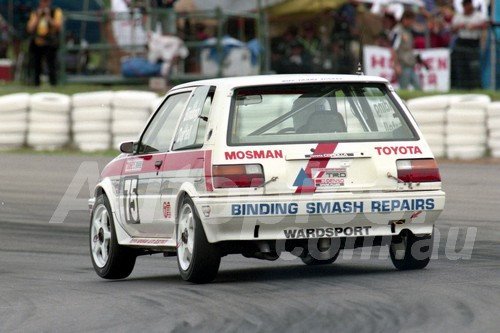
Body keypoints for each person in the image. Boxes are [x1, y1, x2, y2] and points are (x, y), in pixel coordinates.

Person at [451, 0, 488, 89]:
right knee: (461, 67)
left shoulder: (478, 15)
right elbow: (452, 29)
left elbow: (486, 24)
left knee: (474, 67)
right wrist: (460, 26)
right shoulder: (458, 16)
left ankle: (475, 87)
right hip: (462, 42)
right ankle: (461, 87)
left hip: (473, 43)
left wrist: (476, 26)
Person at [27, 0, 63, 86]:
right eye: (43, 2)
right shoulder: (35, 12)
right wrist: (37, 16)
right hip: (38, 42)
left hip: (50, 42)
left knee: (51, 64)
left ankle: (53, 83)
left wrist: (48, 17)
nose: (44, 4)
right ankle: (36, 83)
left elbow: (58, 27)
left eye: (46, 2)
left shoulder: (55, 11)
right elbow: (29, 28)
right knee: (37, 65)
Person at [390, 10, 422, 90]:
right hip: (402, 65)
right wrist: (396, 65)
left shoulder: (407, 31)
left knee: (418, 87)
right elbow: (393, 48)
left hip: (410, 65)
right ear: (405, 19)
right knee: (404, 89)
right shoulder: (398, 31)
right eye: (411, 20)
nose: (412, 23)